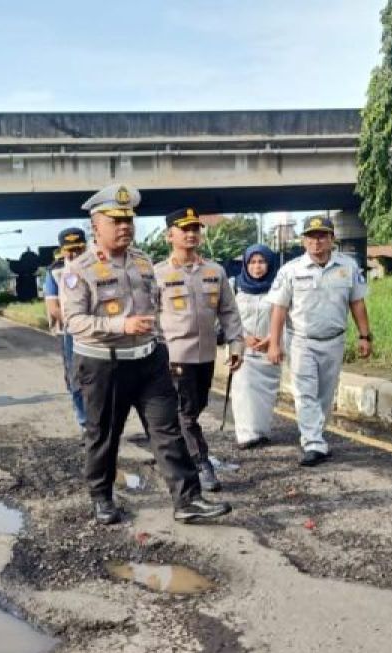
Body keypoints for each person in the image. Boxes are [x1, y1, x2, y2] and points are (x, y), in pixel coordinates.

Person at [59, 183, 230, 525]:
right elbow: (74, 321)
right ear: (96, 225)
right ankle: (102, 498)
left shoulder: (143, 262)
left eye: (129, 220)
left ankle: (188, 499)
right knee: (104, 435)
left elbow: (155, 308)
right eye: (115, 221)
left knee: (168, 431)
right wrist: (122, 325)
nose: (125, 227)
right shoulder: (78, 270)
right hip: (103, 363)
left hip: (149, 361)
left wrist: (162, 345)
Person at [266, 215, 372, 466]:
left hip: (334, 340)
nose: (316, 242)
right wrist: (274, 342)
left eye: (322, 236)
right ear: (303, 240)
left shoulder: (348, 267)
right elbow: (279, 309)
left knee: (325, 393)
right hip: (301, 340)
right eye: (311, 237)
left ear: (332, 239)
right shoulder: (290, 270)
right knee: (305, 393)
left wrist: (365, 336)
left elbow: (357, 302)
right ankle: (313, 442)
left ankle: (317, 436)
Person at [152, 207, 244, 491]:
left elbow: (228, 311)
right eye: (184, 229)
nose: (191, 234)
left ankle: (172, 455)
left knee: (196, 407)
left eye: (195, 229)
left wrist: (236, 343)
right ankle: (201, 462)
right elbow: (149, 314)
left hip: (205, 356)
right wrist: (156, 350)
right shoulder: (158, 274)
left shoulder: (214, 271)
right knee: (185, 413)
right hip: (174, 356)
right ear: (170, 236)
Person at [231, 244, 282, 449]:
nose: (257, 267)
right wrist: (243, 337)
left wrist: (273, 338)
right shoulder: (235, 286)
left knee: (265, 395)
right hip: (244, 348)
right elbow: (226, 317)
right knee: (243, 389)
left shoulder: (280, 287)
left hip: (270, 348)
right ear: (245, 264)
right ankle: (245, 434)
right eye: (252, 262)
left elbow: (288, 316)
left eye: (261, 262)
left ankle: (260, 431)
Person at [43, 228, 88, 430]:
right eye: (69, 250)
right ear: (62, 250)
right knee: (75, 378)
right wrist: (78, 324)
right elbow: (53, 308)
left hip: (101, 332)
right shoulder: (55, 270)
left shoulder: (100, 264)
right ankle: (85, 423)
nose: (74, 254)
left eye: (79, 248)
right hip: (72, 332)